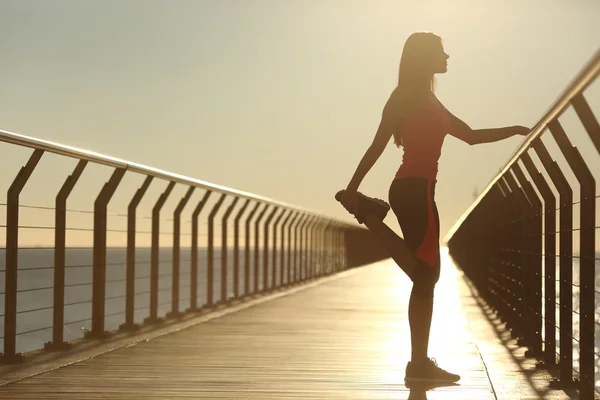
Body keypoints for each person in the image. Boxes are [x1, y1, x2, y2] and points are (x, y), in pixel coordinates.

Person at [336, 31, 529, 383]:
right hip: (413, 190)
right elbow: (377, 144)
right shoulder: (405, 97)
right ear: (424, 56)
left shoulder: (428, 98)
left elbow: (469, 135)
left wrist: (514, 130)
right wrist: (352, 189)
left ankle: (419, 363)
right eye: (441, 51)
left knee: (425, 279)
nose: (448, 56)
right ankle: (370, 217)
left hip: (418, 190)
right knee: (426, 276)